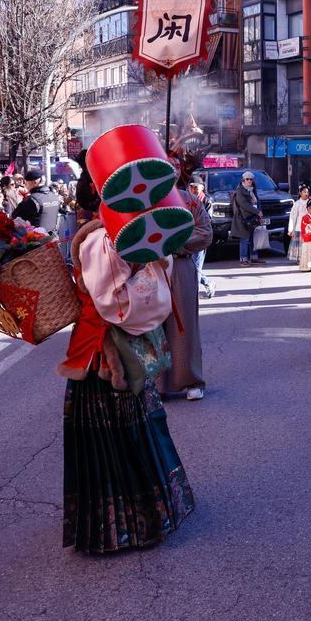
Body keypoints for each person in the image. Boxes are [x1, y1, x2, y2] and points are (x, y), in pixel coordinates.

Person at [61, 197, 194, 553]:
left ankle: (136, 517)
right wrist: (151, 270)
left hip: (111, 347)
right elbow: (114, 303)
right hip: (103, 353)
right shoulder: (100, 242)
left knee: (134, 428)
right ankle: (128, 522)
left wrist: (153, 261)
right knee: (121, 434)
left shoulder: (120, 238)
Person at [157, 161, 213, 402]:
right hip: (152, 267)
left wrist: (174, 243)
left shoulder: (190, 201)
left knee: (185, 325)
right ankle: (157, 383)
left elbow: (205, 233)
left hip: (180, 265)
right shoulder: (147, 202)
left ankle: (192, 380)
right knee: (152, 324)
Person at [185, 181, 214, 299]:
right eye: (191, 187)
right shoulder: (185, 199)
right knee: (190, 267)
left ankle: (193, 295)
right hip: (186, 238)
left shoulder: (206, 201)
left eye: (196, 187)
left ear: (201, 188)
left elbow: (208, 220)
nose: (193, 189)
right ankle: (207, 282)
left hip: (199, 238)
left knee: (195, 267)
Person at [12, 170, 61, 234]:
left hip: (37, 240)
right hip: (53, 238)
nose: (24, 184)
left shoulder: (31, 200)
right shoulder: (54, 196)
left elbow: (14, 216)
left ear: (35, 183)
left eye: (26, 181)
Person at [230, 171, 262, 268]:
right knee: (244, 238)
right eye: (247, 179)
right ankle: (243, 259)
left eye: (251, 179)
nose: (249, 181)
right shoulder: (240, 191)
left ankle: (254, 257)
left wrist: (259, 211)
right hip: (243, 218)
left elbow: (257, 200)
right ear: (243, 180)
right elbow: (244, 205)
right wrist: (257, 211)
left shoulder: (252, 189)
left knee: (253, 237)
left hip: (252, 217)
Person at [287, 185, 311, 262]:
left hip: (308, 227)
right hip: (299, 227)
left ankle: (307, 258)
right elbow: (293, 217)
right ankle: (300, 259)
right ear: (300, 193)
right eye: (304, 192)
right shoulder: (297, 204)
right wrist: (291, 229)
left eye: (307, 192)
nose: (306, 193)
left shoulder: (310, 203)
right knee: (300, 245)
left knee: (307, 244)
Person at [298, 198, 311, 271]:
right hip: (308, 238)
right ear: (308, 209)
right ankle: (307, 267)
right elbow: (305, 228)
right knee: (308, 253)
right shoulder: (305, 217)